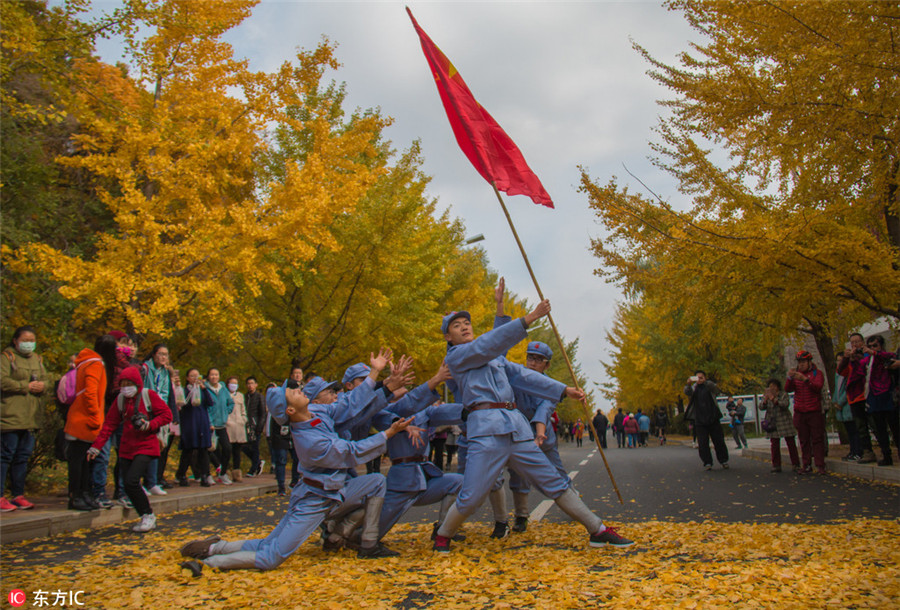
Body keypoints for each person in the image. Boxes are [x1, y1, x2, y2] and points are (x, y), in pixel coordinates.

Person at [432, 301, 633, 552]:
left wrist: (563, 390)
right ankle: (443, 535)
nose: (464, 327)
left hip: (516, 430)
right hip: (485, 433)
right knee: (471, 497)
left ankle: (597, 529)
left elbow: (524, 376)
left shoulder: (494, 359)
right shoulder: (456, 357)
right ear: (448, 336)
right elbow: (487, 345)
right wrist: (530, 318)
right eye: (456, 326)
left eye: (467, 323)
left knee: (554, 481)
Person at [178, 379, 415, 575]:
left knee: (375, 482)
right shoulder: (309, 441)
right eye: (292, 392)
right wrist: (388, 433)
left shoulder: (316, 412)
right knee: (271, 556)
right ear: (290, 410)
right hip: (314, 501)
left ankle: (215, 547)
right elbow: (350, 452)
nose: (297, 389)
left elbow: (349, 405)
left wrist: (379, 381)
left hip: (331, 492)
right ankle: (206, 563)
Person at [87, 366, 171, 532]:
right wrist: (96, 447)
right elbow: (109, 424)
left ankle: (148, 515)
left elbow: (166, 414)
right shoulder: (120, 400)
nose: (126, 388)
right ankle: (143, 515)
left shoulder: (148, 395)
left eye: (129, 384)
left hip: (146, 445)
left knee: (132, 480)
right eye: (123, 384)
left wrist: (150, 424)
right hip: (127, 446)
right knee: (127, 484)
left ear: (137, 384)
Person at [0, 326, 50, 512]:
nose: (29, 343)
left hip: (30, 418)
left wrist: (42, 386)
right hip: (10, 417)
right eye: (25, 340)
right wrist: (25, 386)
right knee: (5, 456)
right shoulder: (6, 358)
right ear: (15, 340)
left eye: (32, 340)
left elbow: (46, 379)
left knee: (22, 457)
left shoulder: (37, 359)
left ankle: (18, 494)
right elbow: (2, 380)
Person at [65, 335, 117, 511]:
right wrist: (96, 417)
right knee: (79, 460)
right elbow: (90, 392)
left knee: (85, 460)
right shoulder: (95, 364)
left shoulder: (89, 362)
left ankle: (84, 492)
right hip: (84, 420)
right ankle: (76, 495)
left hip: (84, 418)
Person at [140, 344, 178, 493]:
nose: (164, 357)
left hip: (160, 411)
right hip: (147, 410)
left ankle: (152, 481)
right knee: (145, 447)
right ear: (154, 354)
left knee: (157, 446)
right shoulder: (145, 369)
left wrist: (173, 414)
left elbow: (169, 395)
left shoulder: (165, 373)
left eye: (166, 354)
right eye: (161, 354)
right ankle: (142, 481)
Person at [858, 335, 898, 466]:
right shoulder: (867, 361)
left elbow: (889, 356)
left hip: (888, 397)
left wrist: (875, 353)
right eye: (869, 346)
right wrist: (851, 358)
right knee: (880, 430)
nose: (872, 349)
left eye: (875, 345)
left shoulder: (887, 357)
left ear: (881, 346)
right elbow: (857, 371)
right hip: (873, 398)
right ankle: (886, 455)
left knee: (895, 428)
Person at [836, 333, 877, 464]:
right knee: (861, 428)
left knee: (876, 425)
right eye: (852, 342)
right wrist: (846, 358)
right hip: (855, 397)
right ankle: (867, 452)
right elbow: (840, 371)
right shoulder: (849, 361)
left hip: (870, 395)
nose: (855, 345)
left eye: (857, 342)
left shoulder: (868, 355)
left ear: (862, 342)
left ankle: (885, 451)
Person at [786, 351, 826, 474]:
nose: (801, 365)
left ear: (809, 362)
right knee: (803, 440)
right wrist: (789, 378)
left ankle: (820, 465)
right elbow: (788, 389)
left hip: (814, 410)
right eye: (799, 362)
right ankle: (806, 464)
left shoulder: (817, 373)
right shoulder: (796, 376)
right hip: (800, 411)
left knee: (817, 439)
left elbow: (818, 387)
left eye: (803, 362)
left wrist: (805, 380)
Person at [176, 369, 214, 487]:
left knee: (203, 450)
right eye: (192, 376)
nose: (194, 378)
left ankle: (204, 475)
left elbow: (210, 402)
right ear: (187, 378)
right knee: (188, 450)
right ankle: (181, 474)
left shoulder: (202, 390)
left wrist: (203, 388)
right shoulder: (184, 390)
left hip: (202, 422)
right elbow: (182, 404)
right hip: (189, 422)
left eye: (197, 376)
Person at [684, 371, 729, 470]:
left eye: (701, 377)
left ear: (705, 377)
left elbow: (717, 390)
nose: (699, 379)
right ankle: (707, 462)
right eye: (697, 378)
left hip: (713, 417)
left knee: (719, 441)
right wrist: (688, 384)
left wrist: (706, 382)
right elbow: (687, 392)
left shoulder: (709, 386)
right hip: (700, 419)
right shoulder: (694, 388)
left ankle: (723, 460)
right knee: (703, 443)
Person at [759, 378, 799, 473]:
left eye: (774, 386)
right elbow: (761, 407)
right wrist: (765, 400)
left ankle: (795, 463)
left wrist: (774, 399)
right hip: (773, 422)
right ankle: (776, 465)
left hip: (784, 421)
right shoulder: (767, 396)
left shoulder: (783, 395)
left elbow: (784, 405)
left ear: (778, 387)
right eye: (770, 386)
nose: (772, 388)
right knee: (774, 444)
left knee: (790, 442)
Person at [203, 368, 234, 484]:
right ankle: (207, 474)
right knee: (208, 450)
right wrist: (209, 422)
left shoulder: (223, 389)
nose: (214, 377)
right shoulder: (205, 389)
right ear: (208, 376)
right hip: (210, 426)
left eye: (216, 374)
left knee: (227, 448)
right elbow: (205, 407)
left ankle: (223, 473)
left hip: (222, 424)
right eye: (212, 375)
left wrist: (226, 412)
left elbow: (230, 402)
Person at [832, 368, 860, 462]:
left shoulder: (849, 374)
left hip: (847, 405)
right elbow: (837, 390)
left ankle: (857, 451)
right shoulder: (838, 376)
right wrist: (835, 401)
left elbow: (847, 390)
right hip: (840, 407)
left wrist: (840, 402)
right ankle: (852, 451)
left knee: (854, 430)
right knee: (849, 431)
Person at [225, 376, 248, 481]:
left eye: (236, 383)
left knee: (237, 451)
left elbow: (243, 410)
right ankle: (226, 471)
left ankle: (237, 471)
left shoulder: (240, 396)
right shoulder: (224, 395)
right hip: (228, 424)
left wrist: (244, 419)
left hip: (239, 425)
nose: (234, 385)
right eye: (232, 383)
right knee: (227, 450)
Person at [242, 376, 266, 477]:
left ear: (256, 384)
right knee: (243, 446)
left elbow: (263, 413)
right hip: (245, 426)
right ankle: (258, 462)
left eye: (252, 383)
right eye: (248, 383)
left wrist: (259, 427)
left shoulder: (259, 396)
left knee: (255, 447)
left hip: (255, 425)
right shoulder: (245, 396)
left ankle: (253, 469)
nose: (250, 385)